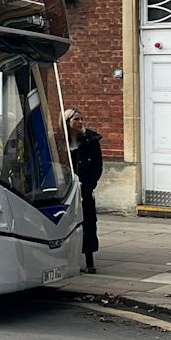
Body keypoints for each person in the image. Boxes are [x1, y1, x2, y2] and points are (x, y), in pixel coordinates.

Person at [65, 108, 104, 273]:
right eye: (76, 120)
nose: (80, 122)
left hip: (85, 188)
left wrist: (90, 183)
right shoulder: (61, 141)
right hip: (66, 189)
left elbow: (97, 165)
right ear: (67, 122)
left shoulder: (90, 140)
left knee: (88, 222)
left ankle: (89, 260)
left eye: (81, 119)